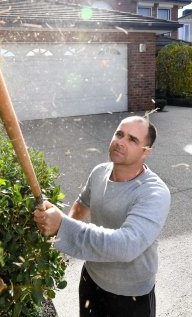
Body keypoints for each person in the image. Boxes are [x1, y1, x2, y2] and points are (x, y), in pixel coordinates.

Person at [33, 115, 171, 317]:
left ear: (145, 152)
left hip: (131, 295)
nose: (121, 142)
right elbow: (82, 204)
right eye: (119, 134)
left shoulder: (154, 193)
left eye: (132, 139)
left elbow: (127, 246)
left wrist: (62, 226)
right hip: (92, 279)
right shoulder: (99, 172)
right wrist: (58, 233)